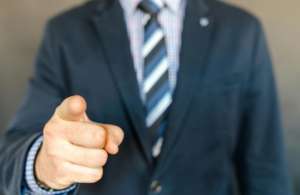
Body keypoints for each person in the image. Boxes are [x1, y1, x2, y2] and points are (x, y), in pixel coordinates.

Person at [0, 0, 293, 194]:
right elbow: (14, 151)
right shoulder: (64, 32)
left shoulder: (242, 30)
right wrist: (44, 167)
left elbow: (266, 167)